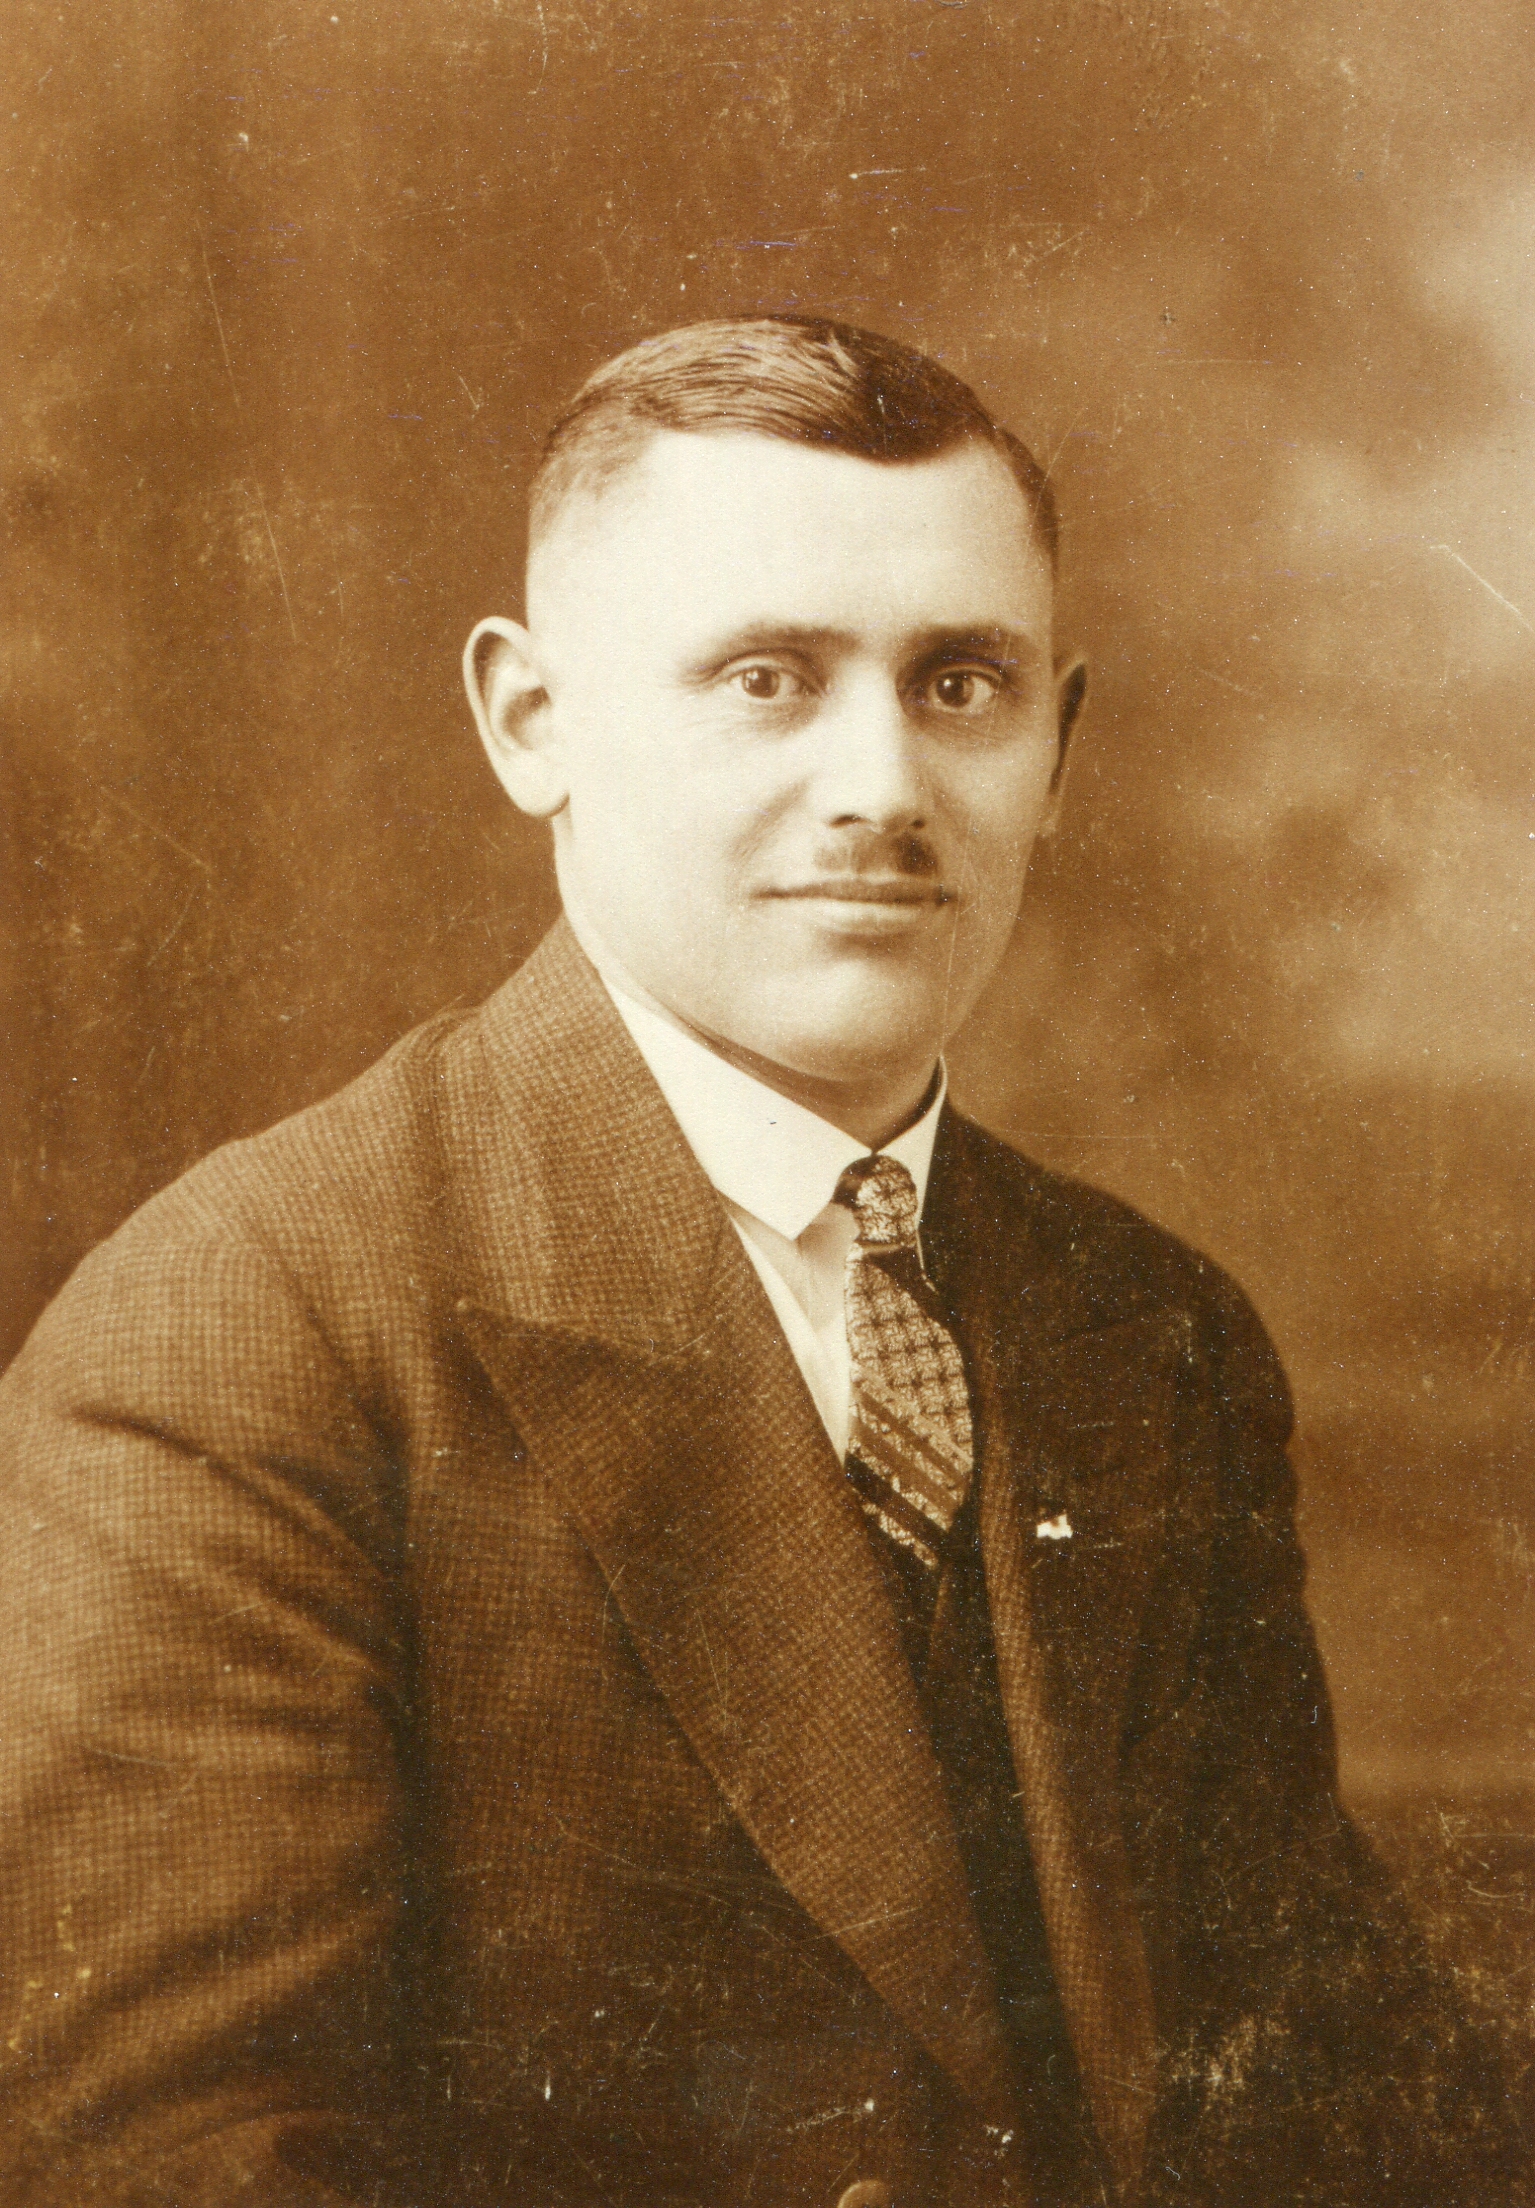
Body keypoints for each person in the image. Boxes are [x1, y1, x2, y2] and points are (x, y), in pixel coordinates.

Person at [0, 318, 1516, 2208]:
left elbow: (1333, 2098)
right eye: (766, 679)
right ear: (530, 721)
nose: (883, 785)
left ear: (1059, 746)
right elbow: (174, 2166)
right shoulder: (242, 1334)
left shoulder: (1152, 1327)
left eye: (960, 683)